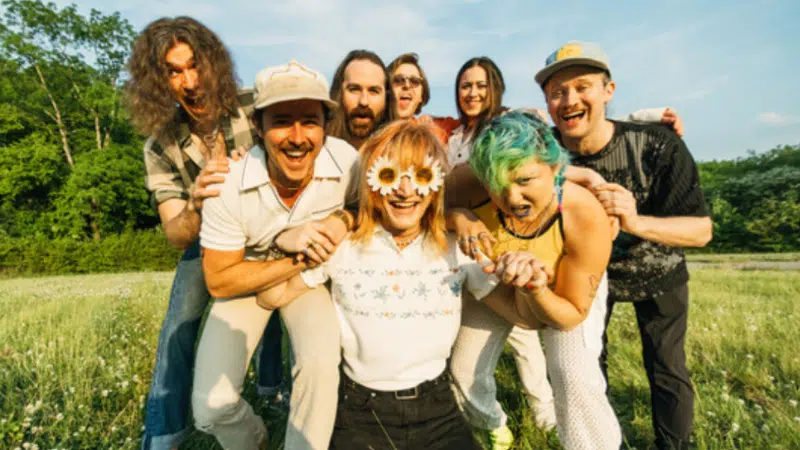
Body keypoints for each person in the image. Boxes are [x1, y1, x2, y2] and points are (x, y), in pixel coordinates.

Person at [255, 120, 508, 450]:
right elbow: (272, 295)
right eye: (390, 176)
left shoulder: (455, 246)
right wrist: (285, 242)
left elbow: (513, 309)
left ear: (436, 186)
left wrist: (527, 277)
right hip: (360, 411)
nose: (405, 190)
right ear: (371, 184)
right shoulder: (344, 246)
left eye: (421, 176)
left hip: (437, 408)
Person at [535, 40, 712, 450]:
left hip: (659, 269)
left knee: (667, 368)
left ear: (607, 92)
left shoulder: (656, 145)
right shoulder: (543, 151)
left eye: (583, 87)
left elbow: (701, 230)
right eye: (557, 92)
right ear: (547, 102)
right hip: (588, 274)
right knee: (586, 365)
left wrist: (634, 221)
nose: (570, 99)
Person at [126, 16, 283, 450]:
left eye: (195, 65)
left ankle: (274, 390)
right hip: (209, 238)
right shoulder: (160, 145)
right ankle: (165, 432)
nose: (190, 81)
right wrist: (197, 200)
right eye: (173, 72)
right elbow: (176, 233)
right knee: (180, 322)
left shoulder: (257, 106)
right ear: (159, 84)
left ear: (214, 63)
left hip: (273, 229)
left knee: (274, 299)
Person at [191, 60, 359, 450]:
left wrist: (341, 218)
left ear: (325, 126)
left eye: (310, 121)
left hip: (307, 284)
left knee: (319, 365)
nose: (298, 137)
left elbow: (368, 210)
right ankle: (255, 439)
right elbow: (219, 279)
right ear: (258, 127)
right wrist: (292, 250)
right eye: (282, 121)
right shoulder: (227, 183)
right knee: (211, 408)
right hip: (247, 274)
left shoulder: (347, 161)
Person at [447, 111, 622, 450]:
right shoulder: (465, 180)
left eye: (525, 180)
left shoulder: (584, 214)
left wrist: (538, 288)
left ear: (555, 169)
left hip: (562, 287)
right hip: (497, 277)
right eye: (497, 185)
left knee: (573, 373)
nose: (512, 198)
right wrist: (458, 216)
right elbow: (419, 216)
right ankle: (495, 428)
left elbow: (570, 313)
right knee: (464, 371)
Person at [327, 50, 392, 149]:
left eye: (373, 91)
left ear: (386, 98)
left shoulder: (401, 157)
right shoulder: (318, 153)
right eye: (354, 89)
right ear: (339, 93)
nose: (363, 101)